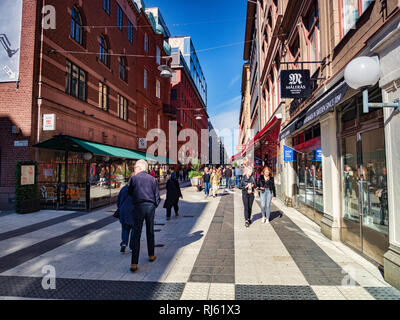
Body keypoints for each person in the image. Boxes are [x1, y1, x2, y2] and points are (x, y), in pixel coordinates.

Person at [128, 160, 161, 273]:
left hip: (138, 207)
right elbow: (157, 196)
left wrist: (135, 201)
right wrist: (154, 205)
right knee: (150, 231)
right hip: (150, 207)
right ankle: (151, 255)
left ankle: (134, 263)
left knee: (136, 233)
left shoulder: (134, 179)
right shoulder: (152, 179)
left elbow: (130, 192)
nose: (134, 169)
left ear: (140, 168)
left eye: (136, 167)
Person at [117, 184, 135, 253]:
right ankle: (132, 247)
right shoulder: (136, 189)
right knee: (134, 229)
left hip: (123, 211)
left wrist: (120, 208)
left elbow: (118, 200)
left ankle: (124, 243)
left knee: (125, 228)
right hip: (133, 211)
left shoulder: (124, 188)